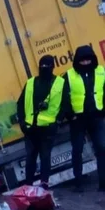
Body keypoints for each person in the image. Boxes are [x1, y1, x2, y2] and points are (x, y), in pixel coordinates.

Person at [16, 55, 68, 187]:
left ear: (52, 67)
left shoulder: (59, 83)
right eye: (42, 66)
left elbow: (65, 104)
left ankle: (44, 184)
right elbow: (20, 103)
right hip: (30, 128)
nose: (44, 68)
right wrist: (22, 122)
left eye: (47, 66)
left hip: (48, 128)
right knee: (31, 158)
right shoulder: (31, 83)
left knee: (45, 157)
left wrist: (58, 121)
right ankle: (29, 186)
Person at [65, 44, 105, 191]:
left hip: (97, 117)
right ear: (77, 61)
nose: (86, 63)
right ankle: (79, 183)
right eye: (83, 61)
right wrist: (71, 115)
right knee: (77, 150)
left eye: (88, 60)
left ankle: (103, 183)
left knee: (102, 148)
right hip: (78, 120)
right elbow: (63, 98)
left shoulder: (101, 71)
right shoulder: (69, 75)